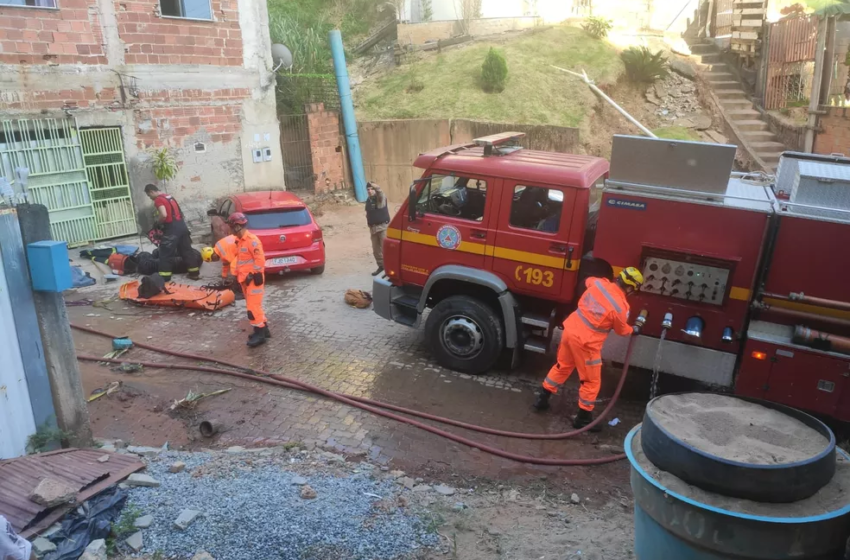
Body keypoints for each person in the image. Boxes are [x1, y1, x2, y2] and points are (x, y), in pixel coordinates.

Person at [533, 267, 644, 429]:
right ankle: (583, 418)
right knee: (591, 381)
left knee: (561, 366)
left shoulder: (599, 284)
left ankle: (541, 400)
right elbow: (622, 330)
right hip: (586, 344)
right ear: (629, 288)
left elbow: (586, 281)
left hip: (570, 331)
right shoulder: (620, 307)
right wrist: (635, 329)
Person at [228, 212, 270, 348]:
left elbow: (260, 259)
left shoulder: (252, 240)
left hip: (253, 279)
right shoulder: (239, 242)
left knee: (252, 309)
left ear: (237, 227)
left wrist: (254, 274)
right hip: (245, 279)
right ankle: (264, 329)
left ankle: (260, 334)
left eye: (231, 226)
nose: (230, 229)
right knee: (255, 306)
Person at [144, 184, 201, 281]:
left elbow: (164, 214)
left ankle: (164, 277)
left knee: (165, 253)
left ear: (151, 192)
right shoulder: (169, 197)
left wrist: (158, 223)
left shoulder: (158, 200)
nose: (151, 198)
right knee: (187, 251)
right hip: (182, 227)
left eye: (149, 196)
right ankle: (194, 273)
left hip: (172, 230)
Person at [365, 182, 390, 276]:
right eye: (368, 189)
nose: (369, 191)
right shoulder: (369, 200)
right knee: (376, 251)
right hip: (373, 228)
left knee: (385, 250)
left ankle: (389, 269)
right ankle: (381, 266)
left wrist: (375, 186)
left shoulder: (380, 199)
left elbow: (380, 192)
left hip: (382, 227)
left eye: (371, 189)